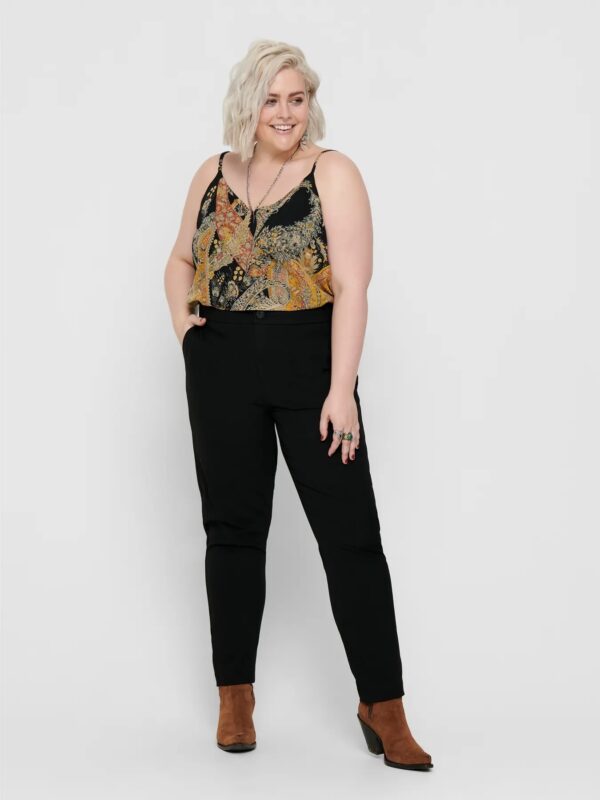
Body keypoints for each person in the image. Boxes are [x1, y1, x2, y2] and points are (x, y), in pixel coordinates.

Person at [163, 39, 433, 771]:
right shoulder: (212, 172)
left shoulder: (332, 172)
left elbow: (351, 285)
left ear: (310, 102)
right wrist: (188, 333)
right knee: (231, 531)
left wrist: (341, 389)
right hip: (220, 366)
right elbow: (181, 259)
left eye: (297, 98)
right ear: (246, 105)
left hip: (310, 363)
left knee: (351, 537)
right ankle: (235, 697)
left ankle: (384, 706)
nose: (285, 113)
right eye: (271, 100)